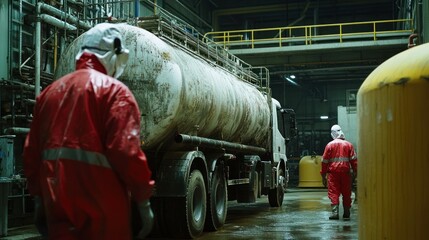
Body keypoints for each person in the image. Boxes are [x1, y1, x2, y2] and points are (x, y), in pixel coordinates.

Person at [23, 23, 155, 239]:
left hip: (58, 206)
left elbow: (31, 154)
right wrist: (143, 201)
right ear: (112, 55)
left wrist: (38, 197)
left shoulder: (48, 94)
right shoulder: (115, 93)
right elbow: (127, 153)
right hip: (104, 212)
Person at [320, 124, 357, 220]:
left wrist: (323, 175)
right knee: (346, 192)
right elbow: (354, 160)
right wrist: (355, 172)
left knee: (333, 192)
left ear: (333, 134)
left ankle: (335, 213)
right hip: (346, 172)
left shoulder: (329, 145)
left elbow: (324, 162)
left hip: (333, 173)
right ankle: (346, 212)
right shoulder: (349, 145)